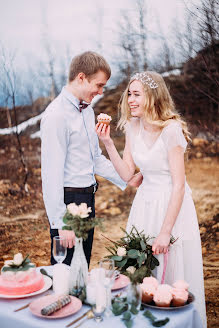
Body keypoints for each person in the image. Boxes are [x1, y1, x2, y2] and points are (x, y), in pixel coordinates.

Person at [96, 71, 207, 327]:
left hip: (171, 207)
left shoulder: (171, 130)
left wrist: (165, 232)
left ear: (153, 96)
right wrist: (108, 143)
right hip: (144, 205)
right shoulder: (133, 127)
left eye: (137, 95)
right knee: (143, 270)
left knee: (172, 271)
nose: (130, 100)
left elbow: (179, 185)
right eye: (129, 95)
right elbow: (126, 174)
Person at [40, 51, 127, 268]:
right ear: (81, 77)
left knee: (81, 268)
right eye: (98, 85)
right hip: (68, 204)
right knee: (65, 270)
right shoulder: (56, 115)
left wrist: (128, 178)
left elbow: (94, 159)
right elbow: (51, 174)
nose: (101, 91)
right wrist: (61, 222)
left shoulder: (87, 111)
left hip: (87, 200)